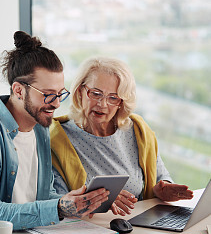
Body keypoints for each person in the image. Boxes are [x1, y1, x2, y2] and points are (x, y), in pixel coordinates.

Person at [0, 33, 109, 234]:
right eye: (48, 94)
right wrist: (58, 208)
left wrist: (75, 202)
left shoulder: (40, 128)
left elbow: (40, 195)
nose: (57, 103)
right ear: (19, 90)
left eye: (60, 94)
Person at [50, 56, 193, 216]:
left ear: (121, 102)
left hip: (138, 226)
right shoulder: (57, 138)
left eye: (113, 98)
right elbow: (58, 202)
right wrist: (101, 200)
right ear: (80, 91)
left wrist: (164, 188)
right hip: (88, 230)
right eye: (96, 94)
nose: (102, 104)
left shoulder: (138, 130)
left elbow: (161, 175)